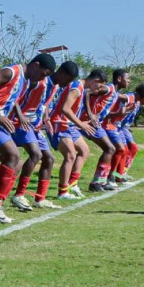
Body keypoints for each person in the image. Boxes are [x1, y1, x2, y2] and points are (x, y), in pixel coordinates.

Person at [0, 54, 57, 223]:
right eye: (43, 74)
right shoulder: (11, 71)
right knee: (14, 155)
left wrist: (16, 114)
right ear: (35, 65)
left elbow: (13, 99)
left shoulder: (26, 80)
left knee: (15, 165)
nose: (42, 79)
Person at [9, 60, 78, 211]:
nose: (69, 84)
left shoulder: (55, 87)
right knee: (35, 154)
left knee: (49, 158)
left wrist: (46, 119)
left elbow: (44, 105)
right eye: (69, 80)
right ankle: (19, 194)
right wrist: (19, 115)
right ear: (62, 74)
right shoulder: (38, 82)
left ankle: (40, 198)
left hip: (36, 126)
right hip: (22, 123)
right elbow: (14, 97)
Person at [48, 67, 97, 201]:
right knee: (70, 156)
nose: (98, 90)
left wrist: (79, 122)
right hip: (59, 123)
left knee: (84, 151)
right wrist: (81, 124)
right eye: (99, 86)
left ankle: (73, 184)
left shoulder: (82, 88)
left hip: (69, 125)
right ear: (96, 81)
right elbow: (65, 108)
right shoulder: (77, 87)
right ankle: (62, 191)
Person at [79, 69, 119, 192]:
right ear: (120, 79)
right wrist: (90, 114)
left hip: (96, 123)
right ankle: (97, 182)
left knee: (109, 149)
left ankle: (101, 181)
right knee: (110, 148)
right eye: (127, 79)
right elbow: (87, 92)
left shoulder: (114, 92)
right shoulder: (108, 89)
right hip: (89, 122)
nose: (129, 82)